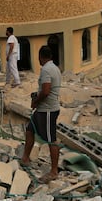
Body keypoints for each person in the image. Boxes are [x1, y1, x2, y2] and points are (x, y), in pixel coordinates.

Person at [20, 46, 61, 182]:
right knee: (30, 130)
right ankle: (25, 158)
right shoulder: (54, 68)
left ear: (41, 57)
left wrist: (36, 101)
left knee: (51, 139)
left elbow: (46, 91)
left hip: (48, 110)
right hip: (42, 109)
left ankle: (54, 171)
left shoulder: (46, 69)